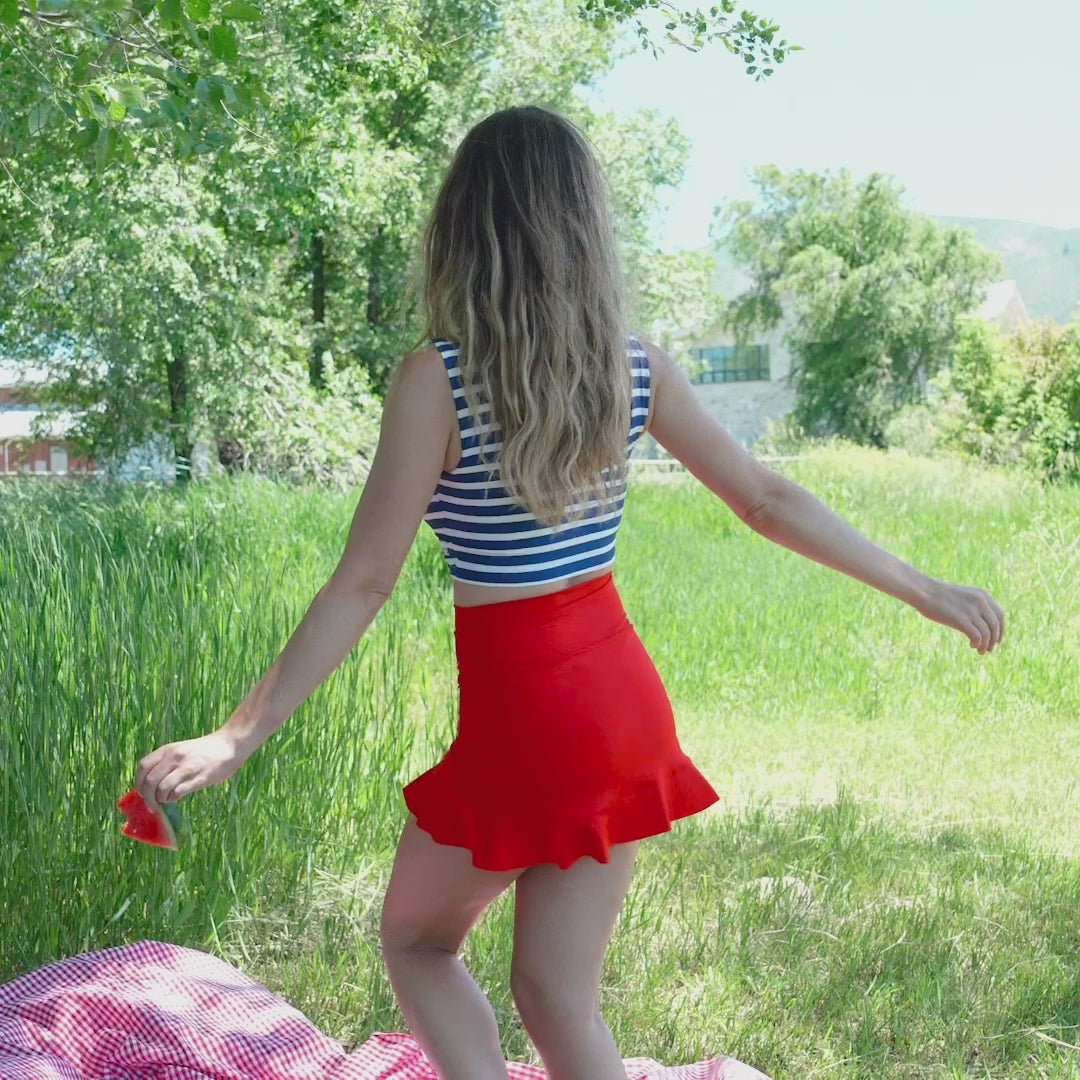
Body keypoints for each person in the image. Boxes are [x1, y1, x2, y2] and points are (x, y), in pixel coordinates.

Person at [134, 106, 1005, 1080]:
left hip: (530, 721)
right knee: (557, 996)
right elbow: (765, 499)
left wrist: (240, 733)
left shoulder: (439, 381)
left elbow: (367, 579)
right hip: (619, 706)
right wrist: (920, 586)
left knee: (419, 939)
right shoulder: (632, 369)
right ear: (584, 229)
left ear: (463, 228)